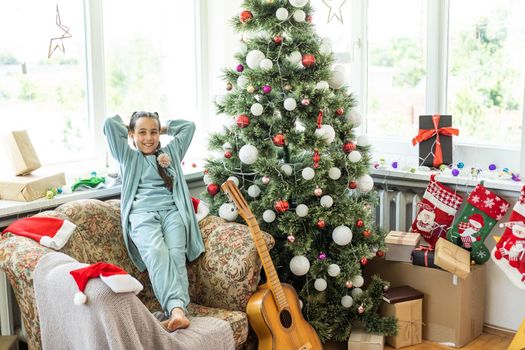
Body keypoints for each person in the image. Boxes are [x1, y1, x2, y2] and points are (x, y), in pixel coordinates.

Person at [103, 111, 205, 332]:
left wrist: (163, 127)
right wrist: (131, 125)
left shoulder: (170, 153)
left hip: (172, 212)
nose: (148, 138)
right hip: (142, 215)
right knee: (157, 253)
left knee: (176, 255)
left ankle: (178, 311)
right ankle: (177, 309)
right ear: (131, 134)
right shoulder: (128, 156)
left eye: (153, 132)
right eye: (142, 132)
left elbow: (189, 126)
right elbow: (109, 125)